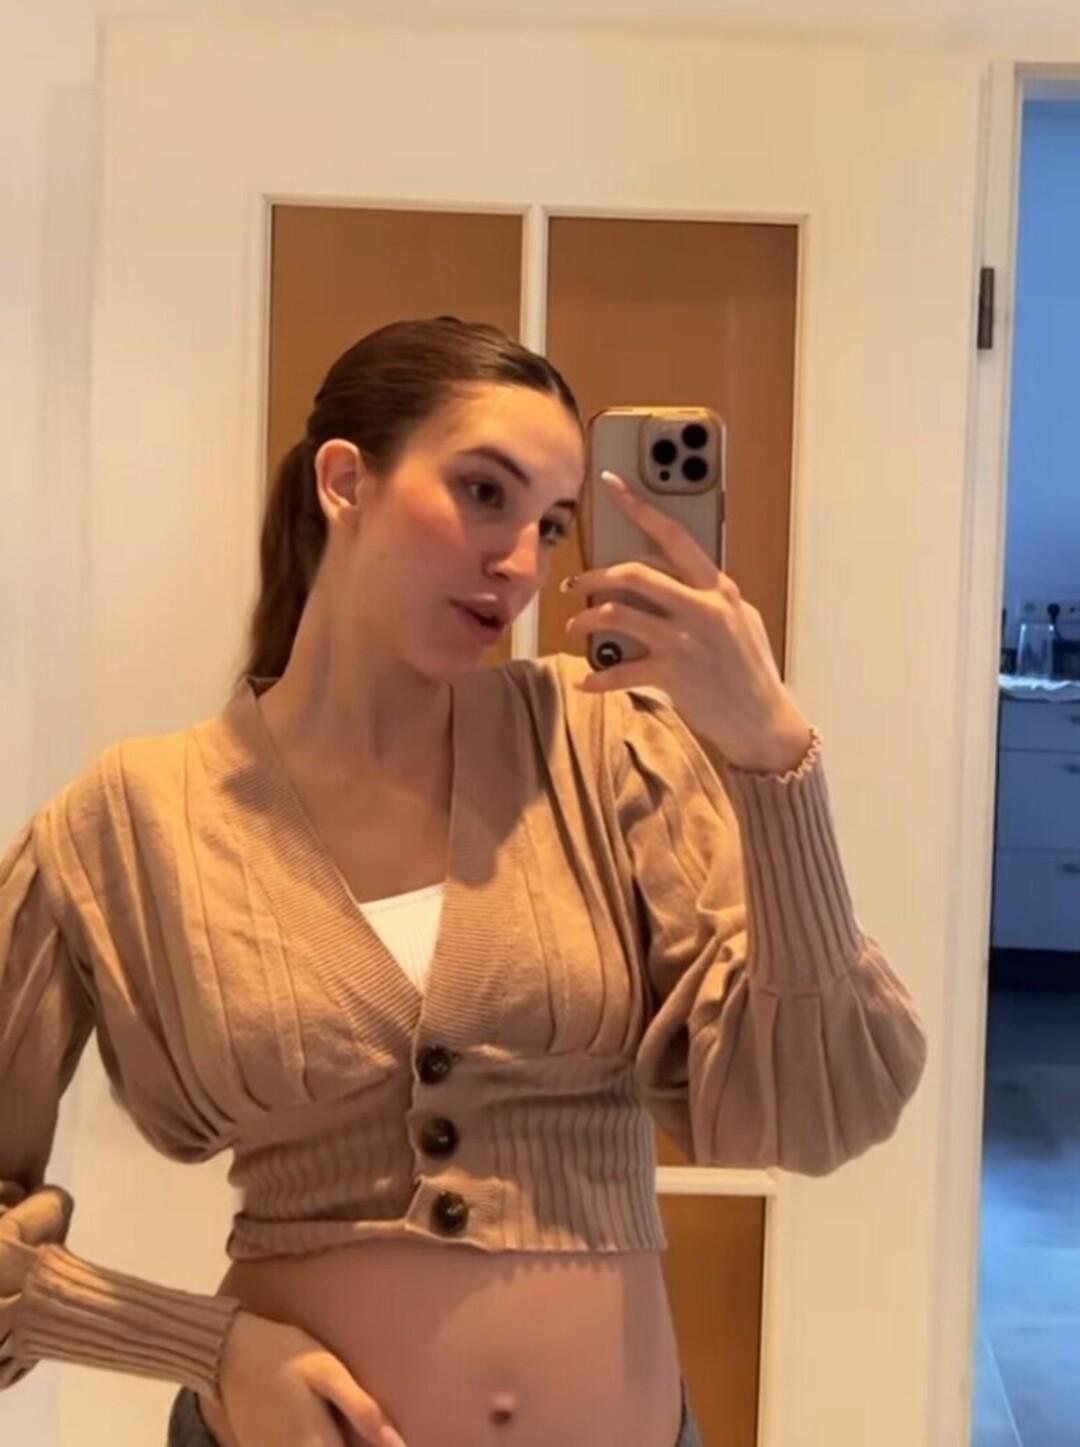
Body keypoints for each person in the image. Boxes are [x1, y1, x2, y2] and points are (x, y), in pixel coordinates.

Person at [0, 317, 927, 1447]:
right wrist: (207, 1345)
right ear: (346, 482)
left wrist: (770, 752)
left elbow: (821, 1107)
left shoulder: (603, 746)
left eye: (551, 525)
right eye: (484, 493)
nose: (521, 562)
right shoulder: (132, 818)